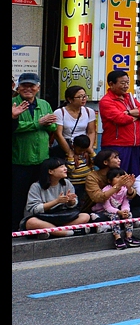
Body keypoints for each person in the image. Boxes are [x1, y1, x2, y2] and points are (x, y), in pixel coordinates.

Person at [12, 72, 59, 231]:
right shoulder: (13, 103)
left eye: (31, 85)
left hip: (42, 159)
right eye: (24, 85)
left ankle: (38, 226)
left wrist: (47, 124)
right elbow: (15, 127)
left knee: (41, 195)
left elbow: (53, 126)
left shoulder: (45, 104)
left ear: (38, 88)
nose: (28, 89)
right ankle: (15, 228)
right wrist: (39, 123)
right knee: (18, 197)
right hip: (19, 160)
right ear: (18, 88)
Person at [23, 157, 91, 238]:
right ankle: (66, 232)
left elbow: (73, 204)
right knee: (31, 222)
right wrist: (57, 201)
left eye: (64, 166)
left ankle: (53, 231)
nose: (65, 168)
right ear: (50, 171)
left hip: (61, 217)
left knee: (85, 216)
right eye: (61, 167)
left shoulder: (67, 183)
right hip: (43, 217)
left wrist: (71, 201)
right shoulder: (36, 186)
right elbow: (34, 208)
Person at [98, 69, 140, 175]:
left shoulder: (129, 98)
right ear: (111, 84)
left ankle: (131, 192)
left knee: (134, 175)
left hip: (134, 144)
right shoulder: (106, 101)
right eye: (122, 83)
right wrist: (136, 116)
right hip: (117, 144)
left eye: (127, 83)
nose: (126, 86)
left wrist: (128, 112)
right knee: (118, 176)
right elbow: (120, 119)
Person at [92, 168, 137, 248]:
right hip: (104, 211)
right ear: (109, 180)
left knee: (129, 215)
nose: (121, 179)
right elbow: (107, 207)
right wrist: (119, 212)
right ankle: (118, 238)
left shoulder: (124, 189)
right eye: (117, 177)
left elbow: (126, 203)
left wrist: (125, 211)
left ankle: (129, 237)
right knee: (114, 216)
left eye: (122, 177)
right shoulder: (106, 190)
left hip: (118, 211)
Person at [52, 85, 97, 159]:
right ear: (70, 99)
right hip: (65, 146)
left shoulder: (89, 111)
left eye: (85, 96)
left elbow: (91, 132)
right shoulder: (60, 112)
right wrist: (69, 152)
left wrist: (88, 149)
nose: (84, 99)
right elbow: (58, 135)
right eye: (80, 97)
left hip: (82, 146)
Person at [67, 134, 95, 209]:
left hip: (87, 183)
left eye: (84, 150)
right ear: (73, 146)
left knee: (86, 202)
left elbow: (95, 162)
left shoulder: (86, 155)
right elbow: (70, 169)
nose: (82, 152)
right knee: (76, 202)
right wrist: (70, 157)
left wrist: (91, 152)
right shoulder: (70, 156)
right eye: (80, 150)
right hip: (75, 184)